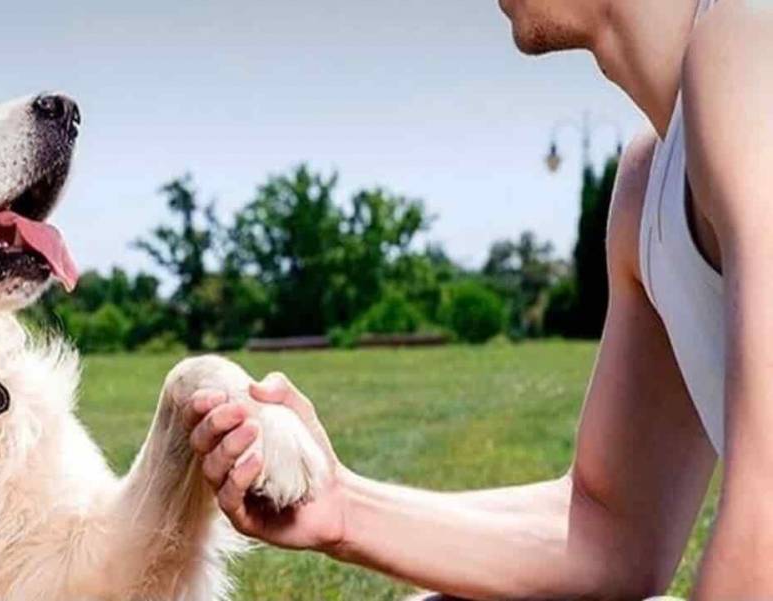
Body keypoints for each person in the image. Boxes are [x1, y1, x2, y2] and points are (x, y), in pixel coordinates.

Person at [182, 0, 773, 597]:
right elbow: (614, 530)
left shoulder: (750, 41)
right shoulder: (648, 185)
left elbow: (763, 549)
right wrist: (342, 505)